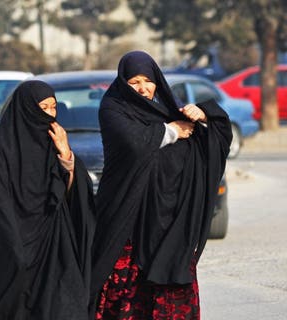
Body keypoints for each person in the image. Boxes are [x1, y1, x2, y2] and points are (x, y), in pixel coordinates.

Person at [90, 51, 232, 319]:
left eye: (148, 80)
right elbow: (132, 143)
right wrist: (173, 131)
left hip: (169, 220)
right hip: (129, 217)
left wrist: (204, 115)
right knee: (125, 290)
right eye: (134, 82)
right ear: (123, 83)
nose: (143, 88)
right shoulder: (112, 108)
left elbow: (209, 142)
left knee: (170, 287)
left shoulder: (166, 106)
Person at [0, 80, 96, 320]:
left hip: (52, 232)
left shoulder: (55, 141)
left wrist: (66, 154)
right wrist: (12, 241)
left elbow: (73, 188)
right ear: (28, 108)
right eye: (44, 107)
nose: (50, 114)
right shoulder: (4, 146)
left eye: (53, 107)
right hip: (13, 233)